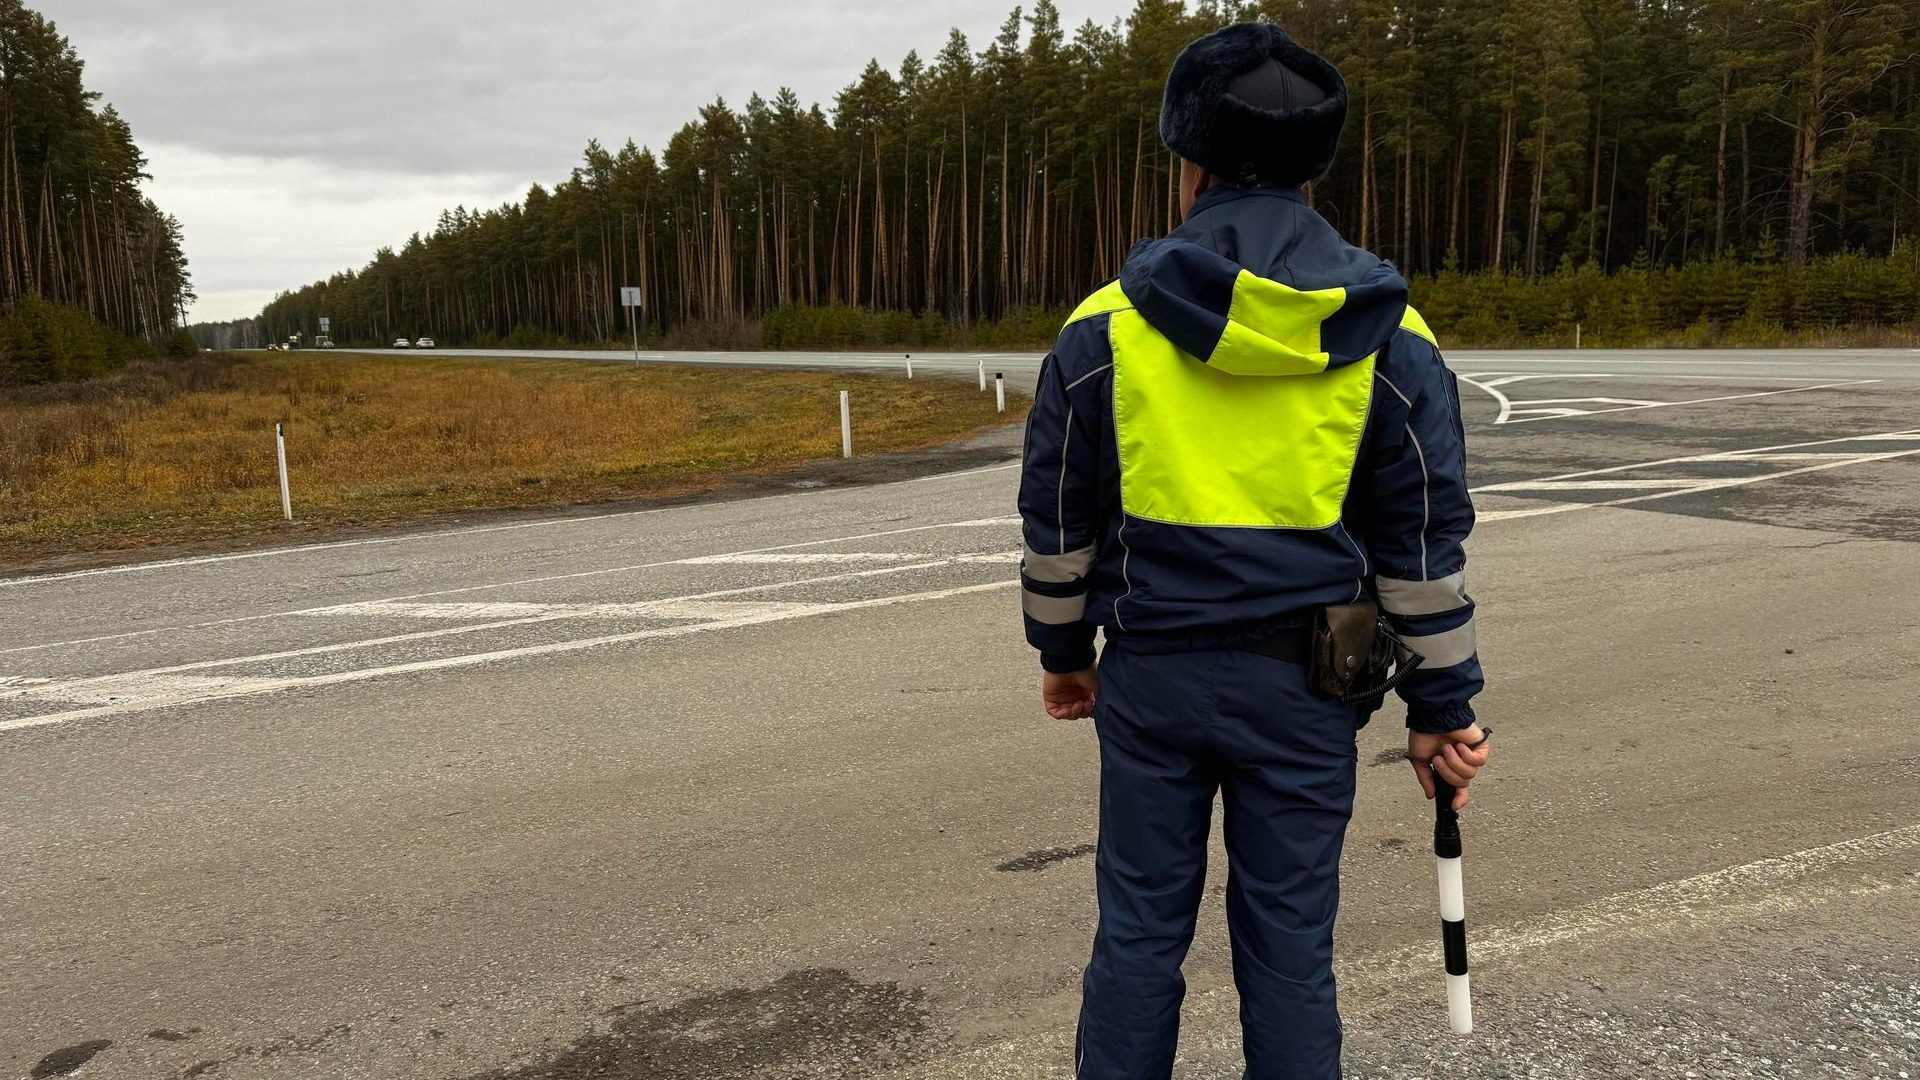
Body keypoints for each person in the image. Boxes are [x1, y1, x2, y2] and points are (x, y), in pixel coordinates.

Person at [1016, 22, 1492, 1080]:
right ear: (1315, 166)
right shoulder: (1392, 338)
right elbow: (1422, 553)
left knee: (1138, 939)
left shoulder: (1104, 329)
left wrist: (1064, 658)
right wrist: (1444, 714)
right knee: (1288, 957)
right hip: (1310, 695)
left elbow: (1058, 527)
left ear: (1189, 162)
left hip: (1153, 685)